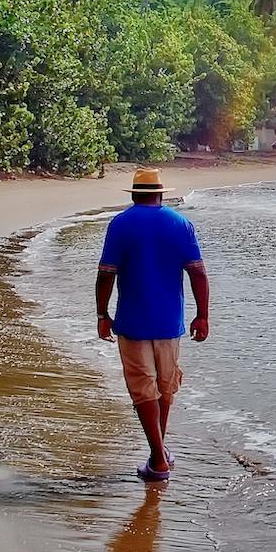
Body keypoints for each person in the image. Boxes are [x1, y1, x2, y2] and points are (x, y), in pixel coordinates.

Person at [95, 166, 210, 481]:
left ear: (134, 194)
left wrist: (102, 314)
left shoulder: (120, 225)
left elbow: (107, 273)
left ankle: (158, 458)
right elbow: (197, 272)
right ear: (161, 193)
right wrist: (202, 315)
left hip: (132, 323)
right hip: (169, 324)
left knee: (143, 389)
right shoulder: (181, 224)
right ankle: (158, 453)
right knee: (165, 387)